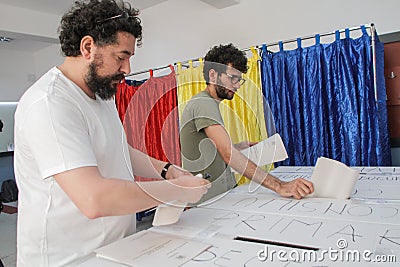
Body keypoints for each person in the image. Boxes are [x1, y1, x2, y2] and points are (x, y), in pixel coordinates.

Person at [13, 0, 210, 266]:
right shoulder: (49, 104)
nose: (127, 69)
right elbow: (94, 199)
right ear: (87, 47)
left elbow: (117, 148)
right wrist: (176, 190)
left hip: (116, 248)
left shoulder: (102, 94)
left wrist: (166, 170)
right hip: (69, 258)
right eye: (121, 57)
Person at [179, 43, 313, 204]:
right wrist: (280, 186)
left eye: (239, 80)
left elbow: (211, 150)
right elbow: (227, 153)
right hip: (209, 204)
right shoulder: (203, 103)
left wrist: (238, 146)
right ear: (213, 75)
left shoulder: (206, 103)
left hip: (219, 199)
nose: (236, 85)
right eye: (232, 78)